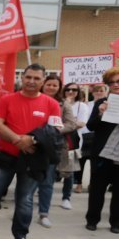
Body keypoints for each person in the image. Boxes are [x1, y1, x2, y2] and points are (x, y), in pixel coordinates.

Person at [0, 64, 62, 239]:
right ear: (22, 78)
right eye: (28, 77)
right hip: (6, 156)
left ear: (43, 81)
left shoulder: (51, 104)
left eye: (36, 78)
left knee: (25, 199)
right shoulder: (7, 99)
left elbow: (55, 131)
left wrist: (33, 139)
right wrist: (19, 141)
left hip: (33, 159)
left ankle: (20, 234)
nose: (31, 81)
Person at [85, 67, 119, 234]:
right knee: (97, 189)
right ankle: (92, 220)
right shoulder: (101, 102)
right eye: (111, 82)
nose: (116, 85)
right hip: (102, 152)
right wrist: (100, 114)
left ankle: (116, 223)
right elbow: (90, 126)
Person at [35, 75, 78, 228]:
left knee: (47, 181)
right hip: (31, 144)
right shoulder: (34, 99)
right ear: (43, 84)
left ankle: (44, 213)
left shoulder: (63, 103)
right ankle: (23, 209)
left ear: (59, 88)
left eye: (55, 85)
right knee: (29, 181)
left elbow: (71, 123)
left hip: (51, 146)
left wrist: (56, 130)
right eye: (49, 84)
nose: (52, 87)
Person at [59, 81, 89, 209]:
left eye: (74, 90)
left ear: (78, 93)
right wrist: (71, 124)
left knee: (69, 171)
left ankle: (66, 197)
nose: (71, 92)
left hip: (72, 141)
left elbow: (81, 123)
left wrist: (62, 126)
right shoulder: (59, 103)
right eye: (68, 89)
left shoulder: (81, 106)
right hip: (55, 140)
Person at [76, 83, 108, 193]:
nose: (99, 93)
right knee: (81, 161)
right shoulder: (86, 105)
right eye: (96, 91)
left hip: (98, 136)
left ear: (105, 92)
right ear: (92, 93)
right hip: (85, 136)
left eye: (101, 91)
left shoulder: (108, 105)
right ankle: (79, 183)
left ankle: (92, 183)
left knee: (95, 163)